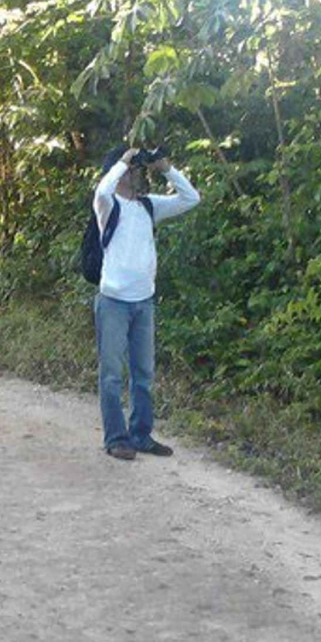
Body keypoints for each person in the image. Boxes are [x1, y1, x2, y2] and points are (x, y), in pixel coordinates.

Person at [91, 145, 200, 461]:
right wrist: (122, 161)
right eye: (132, 170)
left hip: (144, 301)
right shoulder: (109, 206)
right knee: (111, 374)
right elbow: (101, 190)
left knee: (144, 373)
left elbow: (191, 198)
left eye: (138, 169)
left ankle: (140, 435)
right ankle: (115, 438)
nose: (137, 174)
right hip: (113, 300)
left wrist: (166, 168)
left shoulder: (148, 206)